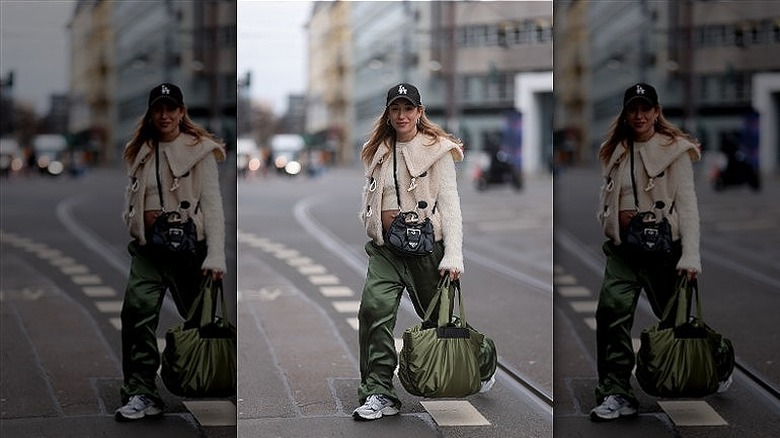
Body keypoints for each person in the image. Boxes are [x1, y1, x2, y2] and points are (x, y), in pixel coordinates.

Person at [352, 82, 497, 421]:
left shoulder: (437, 150)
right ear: (388, 114)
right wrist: (370, 221)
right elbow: (371, 196)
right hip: (386, 250)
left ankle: (484, 358)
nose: (401, 115)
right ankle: (379, 392)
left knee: (441, 324)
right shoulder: (377, 150)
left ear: (419, 112)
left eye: (408, 108)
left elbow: (451, 204)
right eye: (395, 109)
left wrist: (454, 255)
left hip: (427, 249)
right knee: (374, 310)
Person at [590, 82, 705, 421]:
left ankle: (713, 362)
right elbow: (608, 196)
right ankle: (616, 392)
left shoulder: (675, 150)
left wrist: (692, 255)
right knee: (610, 314)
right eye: (632, 109)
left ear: (656, 112)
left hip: (665, 250)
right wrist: (609, 220)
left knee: (677, 321)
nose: (639, 115)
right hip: (624, 251)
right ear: (625, 114)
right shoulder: (616, 150)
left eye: (645, 108)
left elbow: (688, 205)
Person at [115, 82, 226, 421]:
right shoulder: (140, 151)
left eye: (170, 108)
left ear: (181, 112)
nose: (164, 115)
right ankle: (141, 392)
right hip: (149, 252)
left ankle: (207, 377)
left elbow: (213, 205)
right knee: (136, 316)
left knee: (200, 322)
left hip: (190, 251)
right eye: (158, 109)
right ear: (150, 114)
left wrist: (216, 255)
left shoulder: (200, 150)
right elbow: (132, 198)